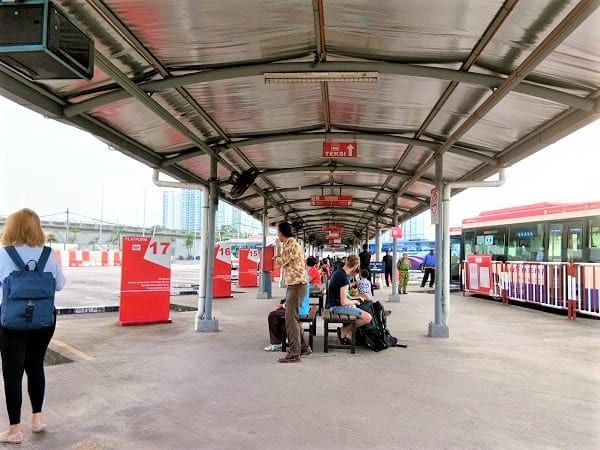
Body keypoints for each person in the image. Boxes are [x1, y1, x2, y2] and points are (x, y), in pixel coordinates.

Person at [0, 208, 65, 444]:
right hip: (44, 321)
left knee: (12, 374)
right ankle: (37, 420)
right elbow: (59, 285)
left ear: (12, 227)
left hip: (11, 321)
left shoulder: (3, 254)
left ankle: (14, 430)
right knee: (36, 366)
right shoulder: (49, 254)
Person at [273, 222, 310, 363]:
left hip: (296, 286)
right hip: (297, 285)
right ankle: (304, 348)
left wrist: (277, 249)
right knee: (294, 318)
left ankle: (294, 353)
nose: (277, 235)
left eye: (278, 232)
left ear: (282, 233)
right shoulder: (295, 244)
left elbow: (279, 263)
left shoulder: (290, 245)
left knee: (290, 320)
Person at [327, 255, 372, 343]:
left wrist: (355, 298)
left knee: (358, 308)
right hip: (337, 307)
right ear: (356, 265)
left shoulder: (338, 272)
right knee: (368, 317)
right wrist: (355, 301)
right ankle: (344, 330)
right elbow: (344, 302)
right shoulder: (344, 278)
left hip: (334, 304)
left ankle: (347, 333)